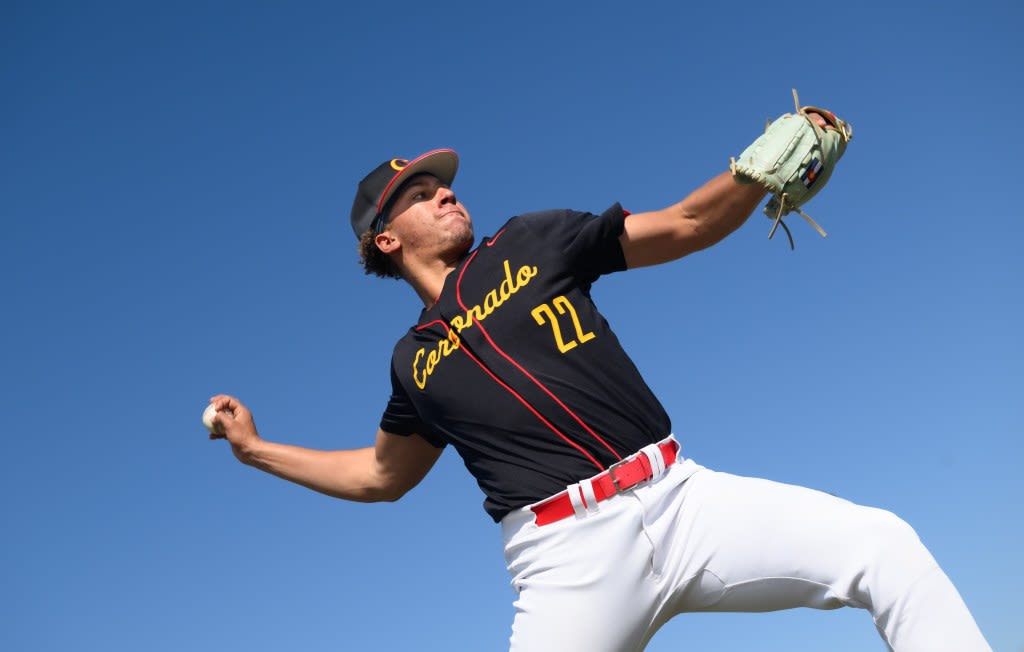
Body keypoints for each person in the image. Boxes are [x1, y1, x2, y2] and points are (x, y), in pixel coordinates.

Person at [208, 113, 991, 651]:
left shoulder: (531, 240)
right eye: (419, 193)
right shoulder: (412, 359)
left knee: (882, 545)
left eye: (442, 182)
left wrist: (751, 175)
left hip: (684, 500)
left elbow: (685, 223)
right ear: (386, 237)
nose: (445, 190)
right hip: (565, 559)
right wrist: (254, 450)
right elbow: (381, 475)